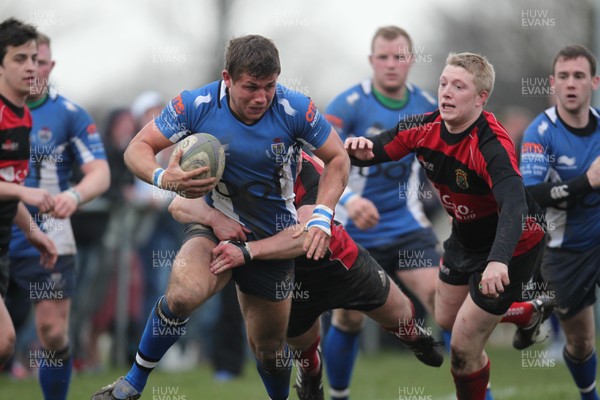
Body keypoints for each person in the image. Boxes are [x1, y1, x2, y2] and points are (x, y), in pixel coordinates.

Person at [91, 34, 349, 400]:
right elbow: (137, 148)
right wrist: (165, 178)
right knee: (181, 294)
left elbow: (338, 157)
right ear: (227, 78)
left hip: (271, 239)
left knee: (269, 349)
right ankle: (132, 383)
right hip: (215, 225)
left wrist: (323, 214)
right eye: (251, 87)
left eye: (270, 86)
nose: (261, 97)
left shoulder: (295, 109)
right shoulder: (195, 104)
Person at [346, 52, 547, 400]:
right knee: (445, 318)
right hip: (466, 238)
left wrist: (498, 261)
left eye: (459, 86)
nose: (446, 93)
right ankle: (526, 312)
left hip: (512, 243)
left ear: (481, 98)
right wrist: (360, 149)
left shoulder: (491, 146)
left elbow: (514, 206)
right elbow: (379, 147)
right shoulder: (423, 127)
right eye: (443, 84)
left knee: (464, 351)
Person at [169, 151, 444, 400]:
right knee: (303, 348)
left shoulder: (310, 169)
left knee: (400, 314)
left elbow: (304, 236)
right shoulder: (238, 166)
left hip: (337, 261)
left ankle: (410, 334)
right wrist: (212, 216)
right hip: (286, 274)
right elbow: (178, 204)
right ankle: (311, 370)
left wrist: (248, 250)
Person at [323, 26, 443, 400]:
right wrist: (348, 203)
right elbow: (317, 162)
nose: (391, 64)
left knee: (446, 303)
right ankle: (339, 395)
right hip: (354, 232)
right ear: (371, 61)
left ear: (410, 60)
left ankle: (474, 390)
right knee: (348, 316)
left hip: (406, 226)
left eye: (399, 56)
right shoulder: (348, 105)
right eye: (383, 57)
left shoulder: (426, 106)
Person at [4, 32, 110, 399]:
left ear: (51, 66)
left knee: (51, 332)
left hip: (50, 234)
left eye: (42, 62)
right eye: (25, 60)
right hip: (5, 231)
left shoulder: (69, 114)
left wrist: (75, 195)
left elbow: (101, 171)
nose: (34, 69)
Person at [519, 44, 600, 400]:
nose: (571, 84)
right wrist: (587, 183)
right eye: (564, 77)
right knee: (581, 342)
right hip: (566, 250)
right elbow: (530, 196)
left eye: (579, 76)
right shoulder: (541, 132)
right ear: (553, 83)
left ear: (593, 82)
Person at [0, 17, 58, 368]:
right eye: (19, 59)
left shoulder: (23, 117)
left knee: (4, 345)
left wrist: (34, 233)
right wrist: (30, 193)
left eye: (34, 59)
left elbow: (7, 188)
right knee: (4, 339)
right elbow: (15, 187)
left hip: (3, 243)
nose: (30, 67)